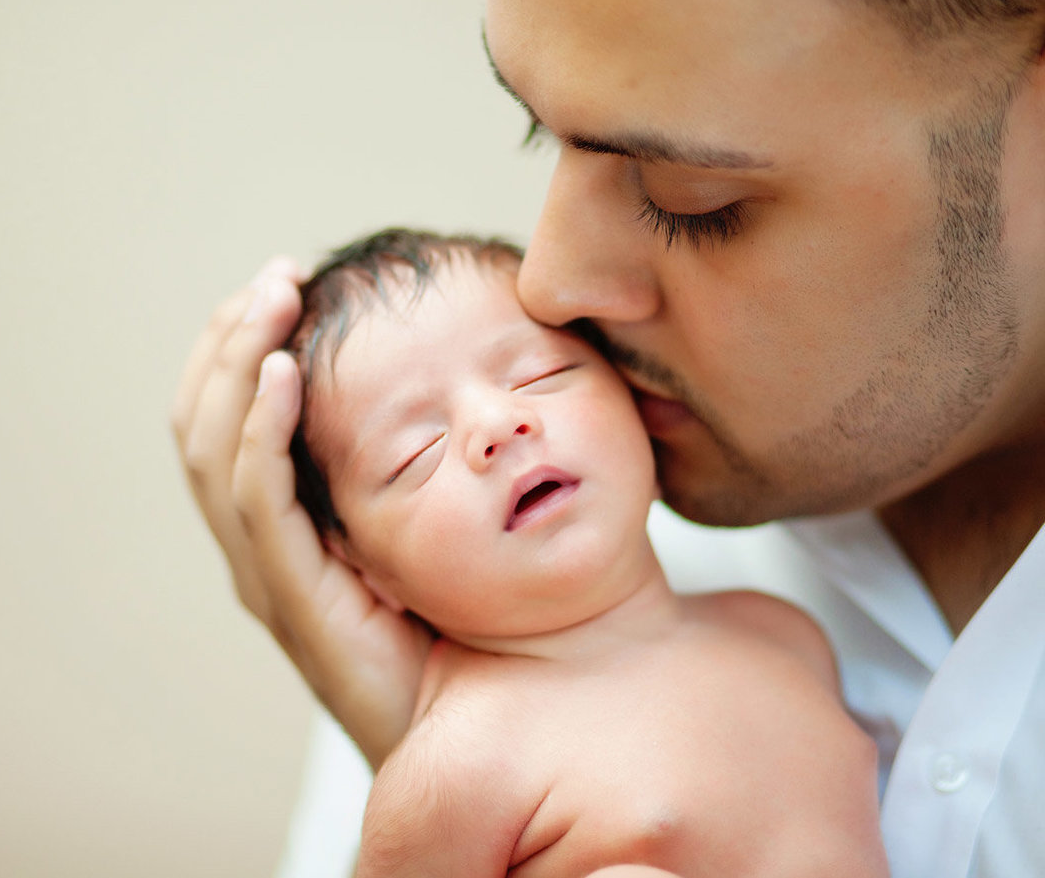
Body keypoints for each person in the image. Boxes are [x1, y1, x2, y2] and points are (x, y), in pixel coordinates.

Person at [170, 0, 1045, 876]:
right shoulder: (498, 608)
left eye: (690, 198)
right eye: (536, 135)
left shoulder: (760, 621)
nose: (547, 285)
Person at [286, 227, 887, 878]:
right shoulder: (462, 765)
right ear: (367, 570)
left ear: (638, 406)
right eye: (416, 453)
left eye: (540, 374)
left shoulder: (782, 633)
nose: (496, 423)